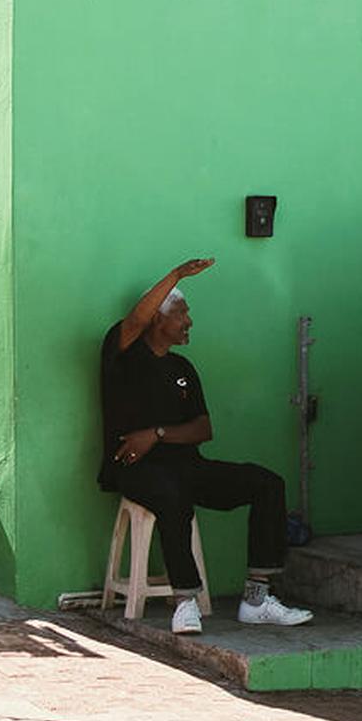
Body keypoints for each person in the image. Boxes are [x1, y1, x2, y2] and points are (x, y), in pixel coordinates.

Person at [99, 259, 313, 634]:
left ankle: (256, 599)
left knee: (267, 484)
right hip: (134, 470)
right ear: (158, 319)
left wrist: (156, 434)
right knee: (172, 494)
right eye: (182, 314)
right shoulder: (123, 356)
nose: (189, 322)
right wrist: (176, 276)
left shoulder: (183, 369)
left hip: (188, 466)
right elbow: (135, 320)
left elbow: (202, 429)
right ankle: (185, 602)